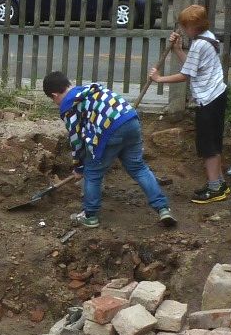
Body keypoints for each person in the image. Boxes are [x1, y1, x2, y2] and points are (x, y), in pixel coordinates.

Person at [42, 71, 176, 230]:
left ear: (55, 94)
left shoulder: (69, 106)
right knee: (138, 167)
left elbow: (76, 140)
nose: (55, 103)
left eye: (53, 100)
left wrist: (79, 167)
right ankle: (163, 208)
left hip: (110, 129)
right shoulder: (89, 90)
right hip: (131, 120)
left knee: (92, 172)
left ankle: (90, 216)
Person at [147, 3, 230, 204]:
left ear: (192, 27)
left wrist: (159, 79)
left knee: (208, 146)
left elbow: (185, 75)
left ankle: (215, 188)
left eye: (185, 26)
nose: (183, 30)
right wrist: (177, 49)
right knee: (213, 142)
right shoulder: (207, 37)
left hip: (209, 98)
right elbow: (194, 67)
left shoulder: (200, 44)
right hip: (216, 96)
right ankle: (219, 183)